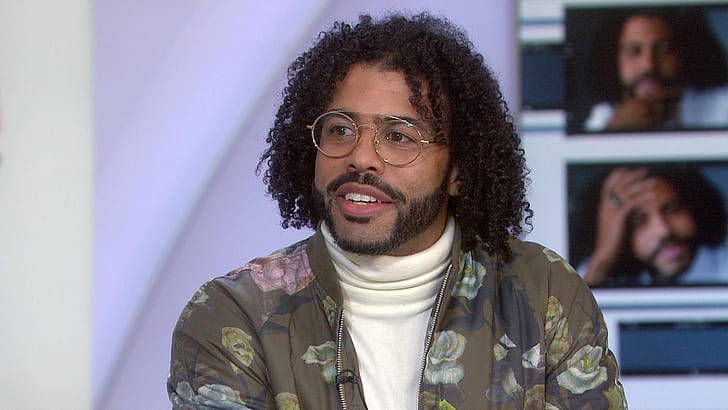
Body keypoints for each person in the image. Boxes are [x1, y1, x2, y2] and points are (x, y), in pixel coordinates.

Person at [167, 13, 627, 409]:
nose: (360, 157)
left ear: (458, 171)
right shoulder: (235, 314)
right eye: (340, 129)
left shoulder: (541, 292)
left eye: (399, 136)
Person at [574, 165, 728, 287]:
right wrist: (602, 260)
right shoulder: (607, 274)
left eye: (672, 210)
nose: (664, 231)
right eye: (640, 221)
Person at [583, 7, 728, 132]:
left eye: (663, 49)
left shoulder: (722, 105)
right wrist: (617, 131)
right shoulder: (604, 116)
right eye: (633, 51)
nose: (649, 65)